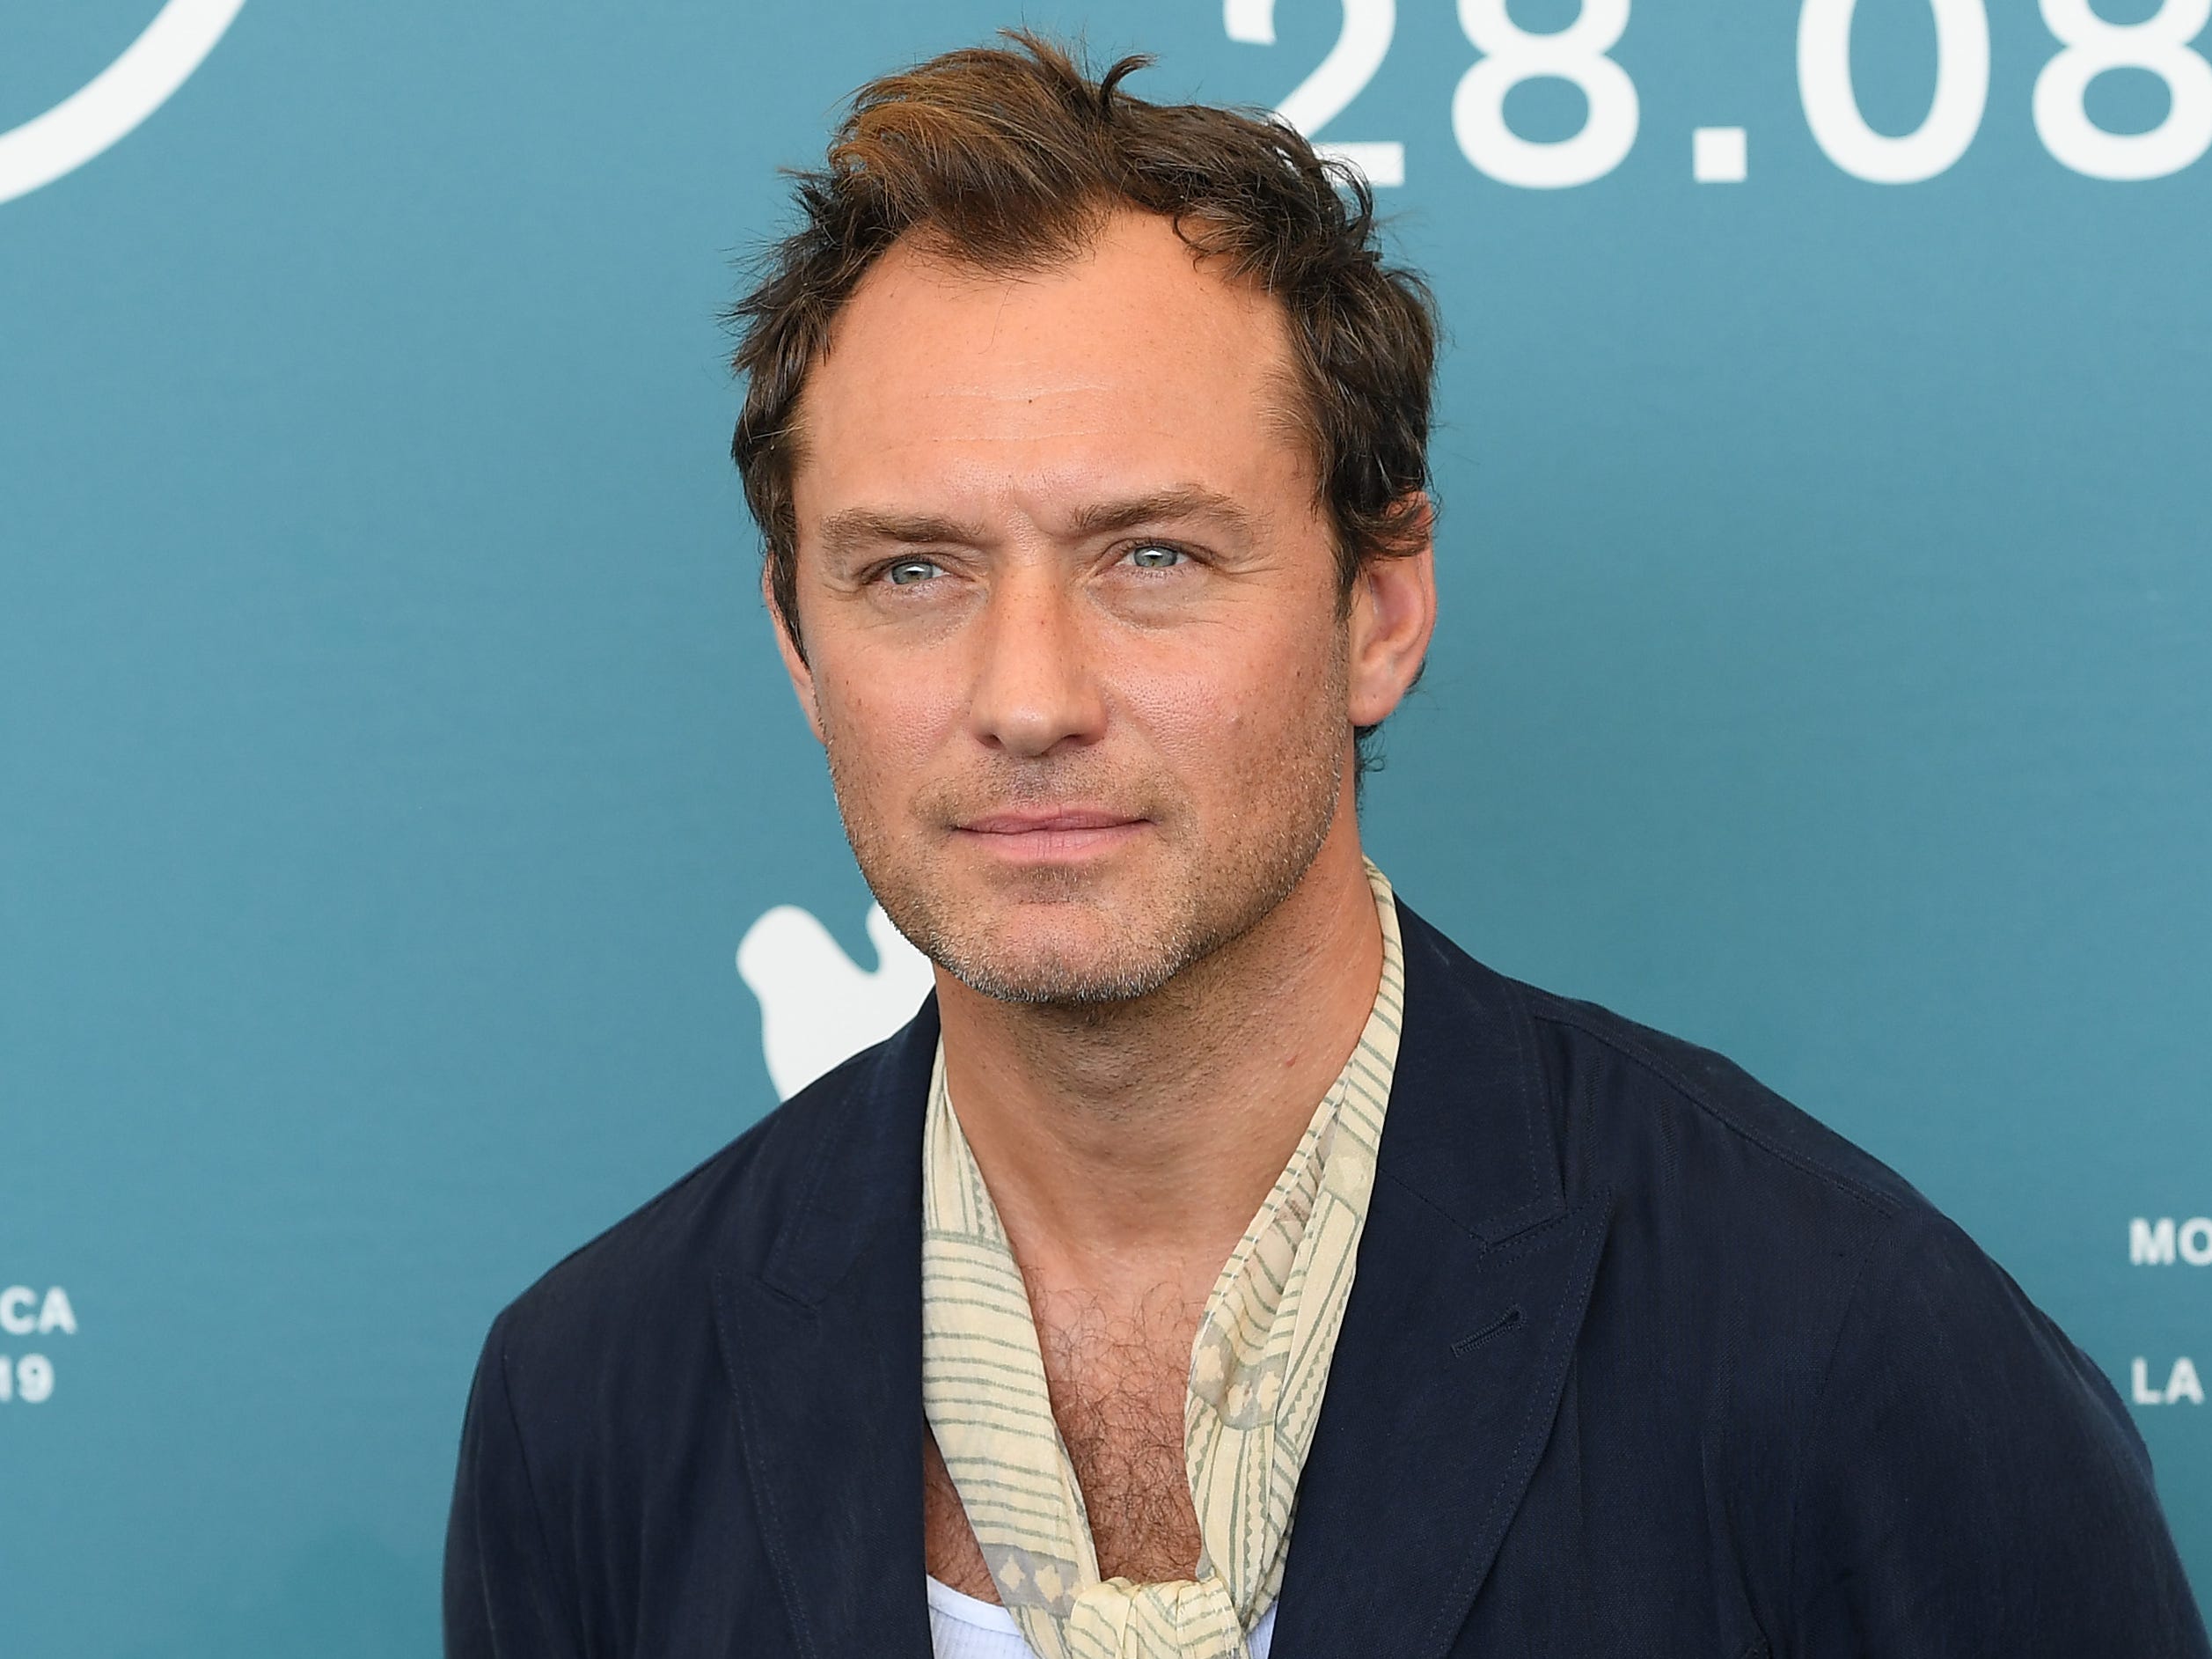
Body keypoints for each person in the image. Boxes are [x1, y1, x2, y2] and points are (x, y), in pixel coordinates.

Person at [443, 33, 2208, 1659]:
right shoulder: (595, 1399)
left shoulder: (1847, 1348)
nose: (1029, 696)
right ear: (796, 640)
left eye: (1154, 557)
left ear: (1380, 608)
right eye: (914, 570)